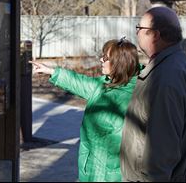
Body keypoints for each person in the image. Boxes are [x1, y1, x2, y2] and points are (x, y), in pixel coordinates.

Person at [29, 38, 141, 182]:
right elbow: (79, 82)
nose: (101, 59)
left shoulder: (130, 97)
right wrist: (51, 71)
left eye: (106, 58)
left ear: (120, 62)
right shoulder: (105, 85)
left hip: (112, 175)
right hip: (92, 170)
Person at [120, 6, 186, 182]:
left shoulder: (166, 75)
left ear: (155, 35)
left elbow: (163, 147)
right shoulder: (175, 62)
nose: (137, 33)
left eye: (140, 28)